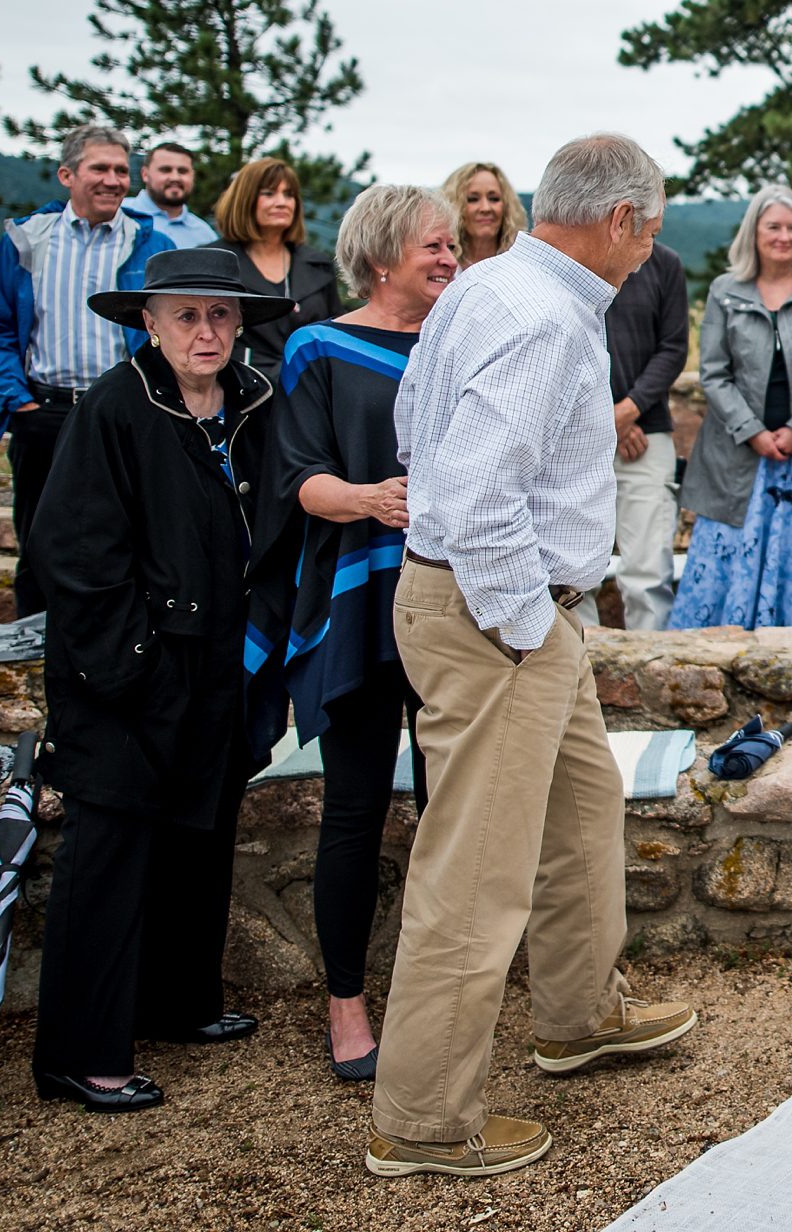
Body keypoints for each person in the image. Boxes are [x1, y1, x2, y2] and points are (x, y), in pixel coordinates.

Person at [369, 134, 695, 1182]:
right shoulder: (544, 317)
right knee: (475, 872)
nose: (649, 252)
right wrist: (521, 624)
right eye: (650, 229)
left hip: (516, 615)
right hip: (493, 618)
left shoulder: (489, 283)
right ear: (622, 221)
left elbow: (411, 417)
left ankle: (575, 1013)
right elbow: (469, 493)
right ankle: (421, 1118)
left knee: (583, 807)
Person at [26, 249, 293, 1114]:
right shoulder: (114, 407)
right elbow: (72, 553)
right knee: (109, 858)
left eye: (220, 315)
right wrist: (129, 665)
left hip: (220, 665)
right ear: (149, 322)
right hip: (127, 671)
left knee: (199, 838)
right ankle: (78, 1053)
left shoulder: (255, 402)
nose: (205, 332)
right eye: (185, 315)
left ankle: (180, 1004)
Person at [248, 185, 458, 1084]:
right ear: (381, 258)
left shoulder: (463, 346)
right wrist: (370, 500)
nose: (451, 260)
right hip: (362, 605)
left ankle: (441, 997)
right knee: (357, 809)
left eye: (454, 247)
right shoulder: (318, 345)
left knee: (454, 814)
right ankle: (346, 1006)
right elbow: (294, 479)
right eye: (435, 247)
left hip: (457, 604)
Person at [0, 124, 175, 615]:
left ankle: (123, 642)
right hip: (44, 412)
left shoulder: (152, 243)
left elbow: (174, 332)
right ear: (67, 174)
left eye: (120, 171)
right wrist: (17, 401)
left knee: (133, 532)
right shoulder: (27, 240)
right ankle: (37, 645)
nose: (112, 180)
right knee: (41, 538)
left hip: (129, 414)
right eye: (99, 169)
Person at [671, 186, 792, 631]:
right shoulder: (725, 290)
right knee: (729, 564)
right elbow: (714, 373)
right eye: (773, 226)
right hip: (738, 459)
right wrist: (752, 431)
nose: (783, 236)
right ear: (753, 232)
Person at [608, 222, 690, 631]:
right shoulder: (583, 261)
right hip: (576, 434)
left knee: (647, 568)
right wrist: (606, 420)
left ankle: (650, 667)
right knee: (571, 574)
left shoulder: (665, 264)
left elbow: (673, 348)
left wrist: (629, 409)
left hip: (647, 432)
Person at [211, 157, 344, 383]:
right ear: (244, 200)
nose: (282, 202)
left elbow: (337, 333)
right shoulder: (215, 262)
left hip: (310, 389)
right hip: (240, 390)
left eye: (289, 194)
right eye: (269, 193)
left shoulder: (318, 265)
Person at [122, 140, 219, 249]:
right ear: (145, 174)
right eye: (165, 170)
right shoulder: (118, 215)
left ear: (193, 176)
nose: (175, 178)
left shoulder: (205, 235)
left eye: (182, 171)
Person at [439, 160, 527, 266]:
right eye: (473, 199)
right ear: (452, 206)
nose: (485, 208)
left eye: (493, 199)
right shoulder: (442, 267)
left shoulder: (520, 265)